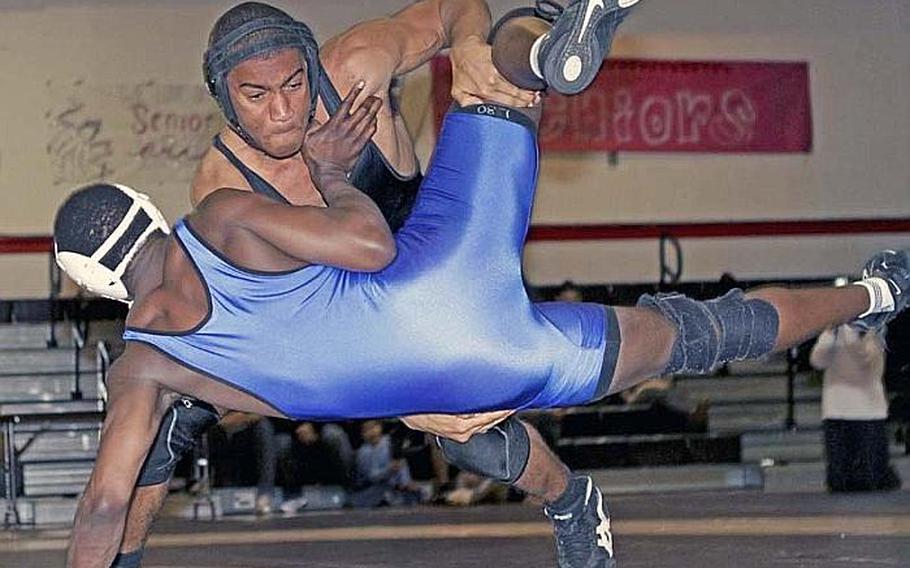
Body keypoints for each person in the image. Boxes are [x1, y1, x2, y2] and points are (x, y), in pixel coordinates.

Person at [111, 2, 643, 568]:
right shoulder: (225, 187)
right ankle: (572, 502)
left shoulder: (355, 66)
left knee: (487, 81)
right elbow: (306, 336)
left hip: (447, 252)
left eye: (293, 84)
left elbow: (451, 7)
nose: (284, 111)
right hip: (352, 308)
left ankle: (543, 46)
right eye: (257, 97)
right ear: (226, 99)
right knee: (171, 410)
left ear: (311, 67)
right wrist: (409, 402)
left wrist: (463, 46)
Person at [810, 323, 901, 492]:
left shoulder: (876, 330)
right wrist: (830, 335)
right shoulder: (833, 329)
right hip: (837, 410)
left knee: (871, 478)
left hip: (869, 411)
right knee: (839, 479)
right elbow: (817, 360)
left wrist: (853, 336)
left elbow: (869, 360)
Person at [351, 420, 422, 508]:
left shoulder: (389, 442)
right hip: (372, 488)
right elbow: (370, 477)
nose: (372, 431)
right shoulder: (363, 452)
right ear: (362, 434)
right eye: (367, 429)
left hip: (395, 487)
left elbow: (401, 462)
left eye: (374, 427)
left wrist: (405, 481)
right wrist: (389, 469)